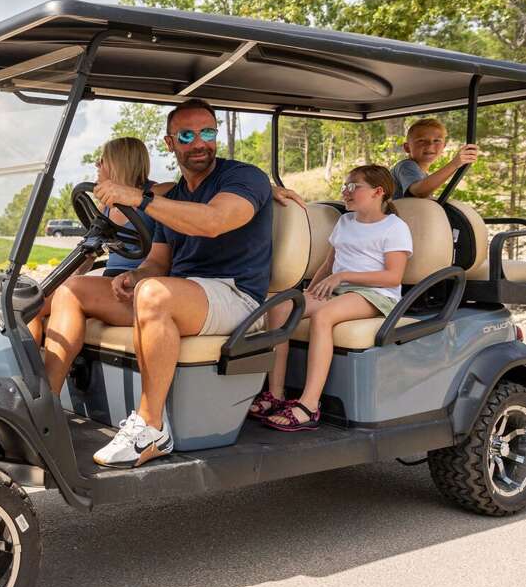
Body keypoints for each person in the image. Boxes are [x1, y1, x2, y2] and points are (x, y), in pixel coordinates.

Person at [41, 97, 279, 468]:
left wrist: (140, 198)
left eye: (207, 132)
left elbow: (213, 221)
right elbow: (158, 262)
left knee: (155, 295)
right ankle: (45, 412)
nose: (199, 142)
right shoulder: (175, 195)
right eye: (186, 135)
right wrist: (134, 276)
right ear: (170, 143)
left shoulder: (243, 177)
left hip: (236, 296)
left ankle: (152, 428)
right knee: (73, 290)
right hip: (183, 295)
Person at [252, 165, 412, 431]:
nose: (345, 192)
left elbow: (393, 277)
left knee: (323, 316)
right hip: (340, 290)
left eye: (353, 187)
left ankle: (309, 404)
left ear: (378, 192)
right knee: (279, 309)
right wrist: (307, 294)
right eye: (344, 187)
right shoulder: (345, 222)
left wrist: (343, 277)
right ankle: (275, 394)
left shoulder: (394, 227)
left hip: (376, 295)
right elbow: (329, 265)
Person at [27, 137, 167, 344]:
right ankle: (29, 371)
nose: (96, 165)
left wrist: (130, 194)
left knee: (73, 290)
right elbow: (88, 254)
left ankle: (49, 376)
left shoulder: (159, 193)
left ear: (119, 163)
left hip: (135, 287)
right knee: (29, 307)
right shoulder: (106, 208)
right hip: (107, 283)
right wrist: (55, 285)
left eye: (102, 160)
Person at [391, 118, 478, 199]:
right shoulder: (406, 166)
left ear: (444, 146)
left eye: (436, 141)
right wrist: (455, 164)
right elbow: (418, 192)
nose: (430, 145)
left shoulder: (423, 175)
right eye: (421, 141)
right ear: (407, 147)